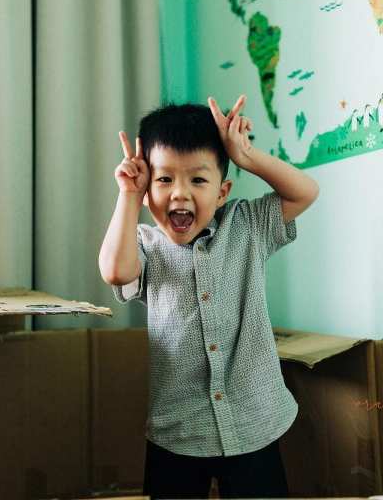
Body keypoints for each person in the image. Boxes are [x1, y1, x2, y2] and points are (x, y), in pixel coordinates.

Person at [98, 94, 319, 499]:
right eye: (164, 180)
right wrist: (128, 194)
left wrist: (247, 155)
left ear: (222, 191)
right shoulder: (144, 244)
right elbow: (115, 270)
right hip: (179, 431)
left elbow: (304, 192)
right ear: (149, 191)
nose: (180, 194)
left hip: (254, 421)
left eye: (198, 180)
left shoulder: (247, 225)